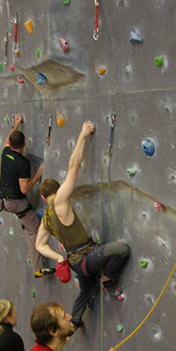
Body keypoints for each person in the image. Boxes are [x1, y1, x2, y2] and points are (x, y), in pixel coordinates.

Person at [36, 121, 130, 332]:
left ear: (42, 197)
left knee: (85, 292)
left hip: (75, 262)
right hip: (87, 258)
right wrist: (82, 134)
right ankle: (107, 279)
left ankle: (74, 322)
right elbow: (73, 166)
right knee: (121, 250)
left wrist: (58, 258)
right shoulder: (60, 201)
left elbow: (39, 245)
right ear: (59, 190)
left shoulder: (46, 219)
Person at [0, 114, 53, 278]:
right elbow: (24, 189)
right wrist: (38, 174)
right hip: (16, 202)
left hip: (4, 200)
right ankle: (39, 267)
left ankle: (25, 222)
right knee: (34, 229)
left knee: (28, 222)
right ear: (24, 144)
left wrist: (16, 125)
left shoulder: (5, 153)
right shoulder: (22, 163)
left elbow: (7, 140)